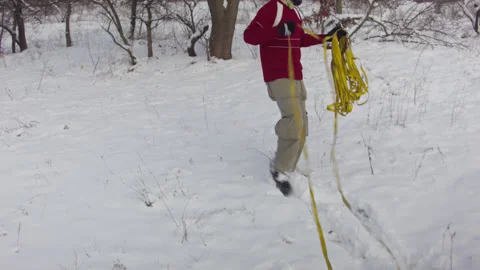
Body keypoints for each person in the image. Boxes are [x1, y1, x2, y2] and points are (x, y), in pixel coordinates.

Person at [243, 0, 347, 196]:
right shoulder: (273, 8)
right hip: (279, 76)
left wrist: (328, 38)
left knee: (301, 123)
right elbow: (249, 36)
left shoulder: (293, 13)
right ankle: (279, 171)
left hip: (296, 76)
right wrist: (278, 30)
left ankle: (288, 165)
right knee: (293, 121)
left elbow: (300, 39)